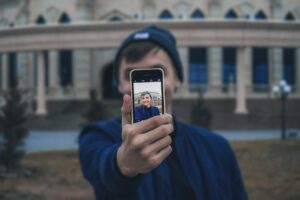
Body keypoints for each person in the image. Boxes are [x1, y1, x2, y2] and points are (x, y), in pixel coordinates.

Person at [79, 25, 248, 200]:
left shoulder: (217, 147)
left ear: (178, 80)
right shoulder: (96, 136)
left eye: (157, 73)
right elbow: (99, 167)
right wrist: (123, 164)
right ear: (120, 85)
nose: (145, 86)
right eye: (131, 74)